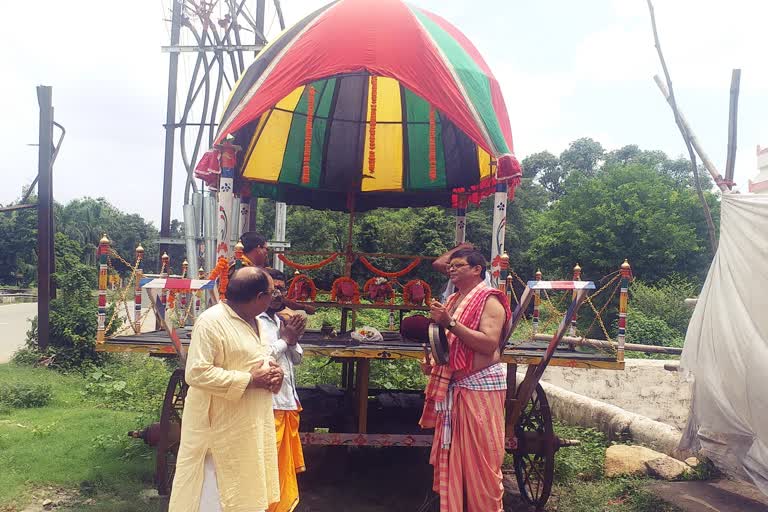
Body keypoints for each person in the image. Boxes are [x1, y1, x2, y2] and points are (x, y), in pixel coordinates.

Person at [169, 266, 284, 512]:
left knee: (248, 488)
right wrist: (249, 380)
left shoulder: (257, 322)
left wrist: (275, 374)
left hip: (249, 423)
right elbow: (196, 373)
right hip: (218, 428)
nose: (274, 299)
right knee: (214, 493)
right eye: (272, 294)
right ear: (259, 297)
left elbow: (256, 359)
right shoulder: (211, 322)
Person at [420, 248, 512, 512]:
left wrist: (450, 323)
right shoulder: (453, 299)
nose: (451, 269)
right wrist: (436, 364)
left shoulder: (490, 300)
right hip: (457, 385)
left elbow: (488, 345)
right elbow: (449, 345)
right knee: (456, 460)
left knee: (482, 462)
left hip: (479, 389)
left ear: (476, 270)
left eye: (458, 265)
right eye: (450, 266)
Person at [260, 268, 307, 512]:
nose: (279, 294)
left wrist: (293, 338)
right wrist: (284, 339)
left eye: (282, 288)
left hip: (286, 402)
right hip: (268, 405)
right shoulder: (254, 321)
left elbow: (296, 359)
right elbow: (259, 359)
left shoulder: (280, 320)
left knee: (282, 473)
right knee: (266, 469)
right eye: (273, 289)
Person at [239, 230, 316, 315]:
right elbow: (276, 297)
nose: (266, 253)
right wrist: (304, 307)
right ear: (258, 248)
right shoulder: (243, 269)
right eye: (266, 249)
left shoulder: (249, 267)